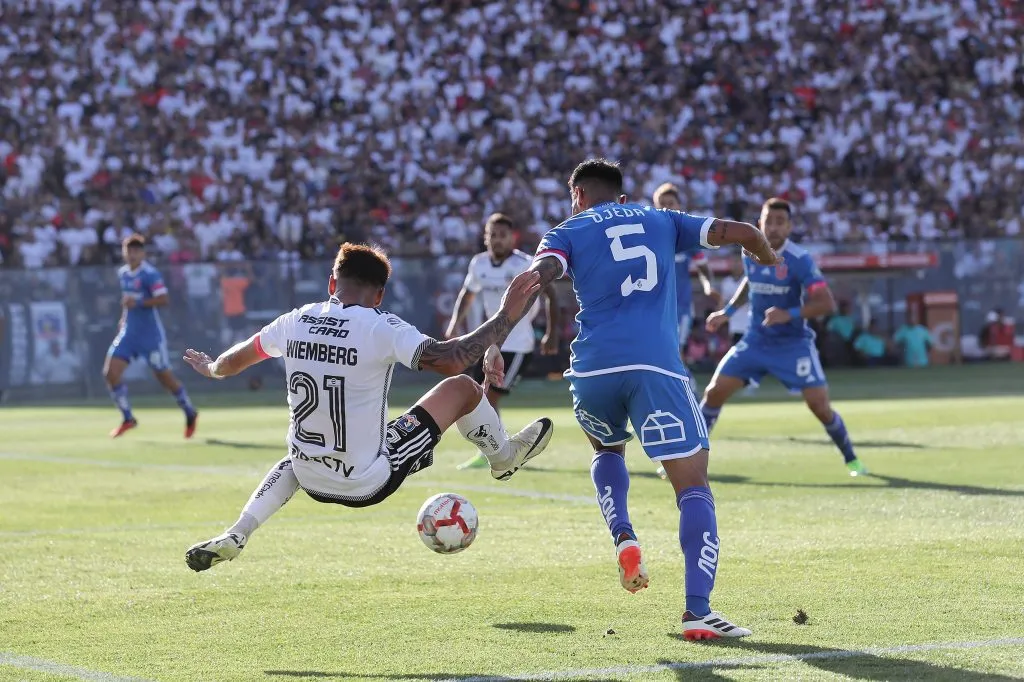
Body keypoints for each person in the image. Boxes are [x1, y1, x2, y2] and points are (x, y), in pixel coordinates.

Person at [520, 159, 779, 640]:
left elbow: (540, 276)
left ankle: (624, 534)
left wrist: (495, 334)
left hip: (592, 370)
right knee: (693, 485)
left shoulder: (566, 230)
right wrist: (766, 255)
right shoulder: (662, 219)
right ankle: (698, 610)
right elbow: (744, 232)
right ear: (621, 197)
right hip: (655, 367)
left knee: (607, 450)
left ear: (577, 196)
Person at [182, 243, 553, 572]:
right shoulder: (381, 327)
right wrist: (505, 317)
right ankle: (504, 458)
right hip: (366, 481)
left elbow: (231, 363)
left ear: (332, 283)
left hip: (309, 475)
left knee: (295, 458)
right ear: (379, 296)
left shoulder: (293, 321)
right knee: (464, 388)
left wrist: (211, 369)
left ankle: (238, 532)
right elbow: (453, 359)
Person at [702, 198, 867, 477]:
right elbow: (750, 282)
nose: (774, 228)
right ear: (760, 223)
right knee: (714, 393)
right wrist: (727, 312)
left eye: (781, 222)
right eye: (769, 221)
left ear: (789, 227)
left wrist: (788, 314)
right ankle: (689, 460)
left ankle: (852, 459)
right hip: (755, 340)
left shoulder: (799, 260)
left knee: (819, 406)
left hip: (792, 344)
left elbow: (826, 303)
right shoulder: (749, 251)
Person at [444, 213, 560, 470]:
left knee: (487, 398)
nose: (497, 240)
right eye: (492, 235)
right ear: (486, 238)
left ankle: (498, 452)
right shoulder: (479, 263)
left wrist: (552, 332)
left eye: (502, 235)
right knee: (478, 396)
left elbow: (551, 294)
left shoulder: (525, 264)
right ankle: (496, 451)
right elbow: (467, 294)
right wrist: (454, 323)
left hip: (517, 344)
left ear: (512, 238)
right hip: (490, 344)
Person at [104, 234, 198, 438]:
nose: (132, 254)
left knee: (165, 379)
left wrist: (138, 303)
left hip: (150, 337)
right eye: (129, 250)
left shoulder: (150, 274)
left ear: (143, 253)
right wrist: (123, 318)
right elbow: (127, 301)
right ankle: (128, 418)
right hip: (129, 333)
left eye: (136, 251)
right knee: (110, 373)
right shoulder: (123, 274)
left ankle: (189, 411)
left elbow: (163, 299)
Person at [651, 184, 719, 373]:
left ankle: (686, 385)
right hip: (653, 306)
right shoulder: (648, 237)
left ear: (679, 206)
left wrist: (708, 287)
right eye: (662, 204)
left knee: (675, 352)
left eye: (671, 203)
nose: (666, 207)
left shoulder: (687, 238)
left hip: (679, 307)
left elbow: (703, 268)